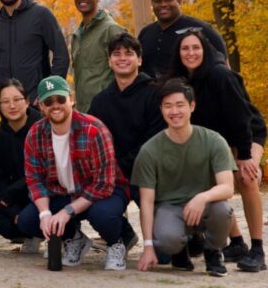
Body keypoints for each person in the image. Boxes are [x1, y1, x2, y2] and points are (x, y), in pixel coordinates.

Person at [166, 29, 266, 272]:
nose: (191, 53)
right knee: (213, 183)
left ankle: (257, 250)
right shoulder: (180, 81)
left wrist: (244, 156)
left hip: (246, 133)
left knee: (246, 178)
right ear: (178, 53)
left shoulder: (221, 75)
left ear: (206, 50)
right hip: (216, 140)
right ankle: (237, 242)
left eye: (196, 47)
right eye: (185, 48)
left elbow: (241, 118)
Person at [17, 75, 130, 270]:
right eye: (48, 102)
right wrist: (45, 214)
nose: (55, 105)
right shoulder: (35, 134)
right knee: (28, 221)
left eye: (60, 99)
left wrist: (67, 211)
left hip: (105, 191)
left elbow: (103, 184)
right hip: (64, 193)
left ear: (71, 99)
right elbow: (34, 180)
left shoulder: (94, 129)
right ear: (41, 106)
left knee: (103, 215)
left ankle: (117, 242)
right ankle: (74, 238)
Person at [132, 78, 235, 277]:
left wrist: (202, 197)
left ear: (192, 106)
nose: (174, 111)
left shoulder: (214, 141)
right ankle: (179, 249)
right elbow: (146, 202)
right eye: (168, 106)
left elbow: (228, 188)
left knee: (223, 210)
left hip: (205, 206)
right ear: (161, 109)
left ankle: (213, 250)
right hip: (170, 208)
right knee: (167, 240)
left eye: (180, 105)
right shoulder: (149, 150)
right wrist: (148, 247)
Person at [88, 32, 165, 249]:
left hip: (149, 175)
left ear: (139, 60)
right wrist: (109, 170)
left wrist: (120, 166)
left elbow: (155, 140)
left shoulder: (155, 94)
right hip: (115, 179)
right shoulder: (100, 101)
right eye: (116, 54)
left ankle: (190, 238)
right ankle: (125, 235)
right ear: (109, 61)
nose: (122, 58)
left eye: (129, 53)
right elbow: (92, 142)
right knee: (100, 214)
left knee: (165, 251)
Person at [0, 0, 69, 100]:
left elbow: (61, 55)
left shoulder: (41, 15)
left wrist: (50, 91)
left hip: (35, 100)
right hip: (7, 103)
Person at [0, 79, 42, 252]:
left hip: (45, 193)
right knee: (4, 224)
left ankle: (66, 236)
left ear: (27, 101)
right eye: (5, 101)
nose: (12, 106)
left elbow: (45, 172)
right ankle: (33, 235)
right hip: (17, 199)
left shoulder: (42, 129)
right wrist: (13, 211)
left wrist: (13, 190)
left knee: (32, 216)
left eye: (17, 99)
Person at [137, 0, 227, 78]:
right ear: (152, 4)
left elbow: (223, 69)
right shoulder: (145, 33)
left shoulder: (201, 29)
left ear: (179, 2)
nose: (163, 4)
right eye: (157, 1)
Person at [70, 0, 125, 112]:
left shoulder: (112, 30)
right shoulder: (77, 35)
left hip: (109, 110)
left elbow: (127, 72)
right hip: (84, 112)